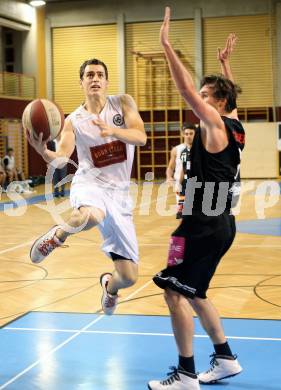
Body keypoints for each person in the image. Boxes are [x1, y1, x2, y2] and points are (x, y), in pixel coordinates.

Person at [148, 9, 245, 390]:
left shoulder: (217, 124)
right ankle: (225, 358)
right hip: (205, 222)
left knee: (174, 292)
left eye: (207, 97)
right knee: (193, 291)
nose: (199, 101)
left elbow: (187, 91)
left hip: (205, 224)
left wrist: (168, 47)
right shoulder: (235, 124)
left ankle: (186, 374)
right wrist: (226, 65)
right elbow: (228, 97)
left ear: (217, 104)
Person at [25, 58, 146, 315]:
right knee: (90, 216)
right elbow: (61, 158)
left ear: (107, 81)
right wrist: (43, 150)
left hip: (120, 195)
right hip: (90, 183)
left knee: (129, 276)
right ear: (81, 82)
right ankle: (57, 237)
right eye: (89, 75)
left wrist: (112, 130)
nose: (95, 79)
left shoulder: (123, 103)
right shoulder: (73, 121)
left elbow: (140, 137)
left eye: (100, 74)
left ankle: (110, 288)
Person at [173, 125, 197, 219]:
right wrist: (179, 183)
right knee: (182, 214)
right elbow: (183, 168)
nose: (189, 136)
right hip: (187, 180)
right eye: (186, 134)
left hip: (199, 181)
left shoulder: (201, 150)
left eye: (191, 134)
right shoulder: (183, 151)